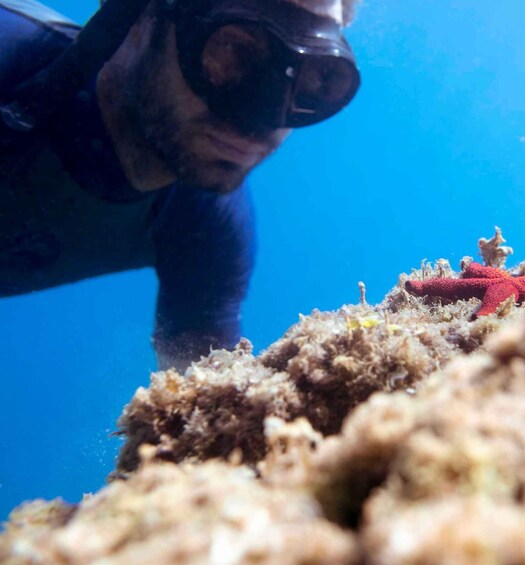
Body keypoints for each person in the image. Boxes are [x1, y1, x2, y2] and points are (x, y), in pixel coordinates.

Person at [0, 0, 361, 370]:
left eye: (316, 77)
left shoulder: (208, 229)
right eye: (234, 49)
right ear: (135, 19)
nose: (261, 120)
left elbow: (204, 406)